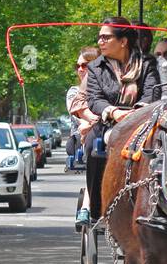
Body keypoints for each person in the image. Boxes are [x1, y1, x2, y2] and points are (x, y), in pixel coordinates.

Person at [79, 18, 160, 226]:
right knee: (93, 146)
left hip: (142, 121)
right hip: (108, 122)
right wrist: (114, 113)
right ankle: (96, 208)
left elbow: (152, 92)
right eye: (99, 37)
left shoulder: (147, 63)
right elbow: (94, 99)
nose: (100, 42)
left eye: (106, 37)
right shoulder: (96, 67)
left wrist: (137, 114)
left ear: (123, 41)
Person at [66, 48, 99, 176]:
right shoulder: (74, 92)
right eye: (77, 66)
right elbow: (79, 118)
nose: (80, 69)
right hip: (80, 139)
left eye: (84, 65)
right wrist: (93, 123)